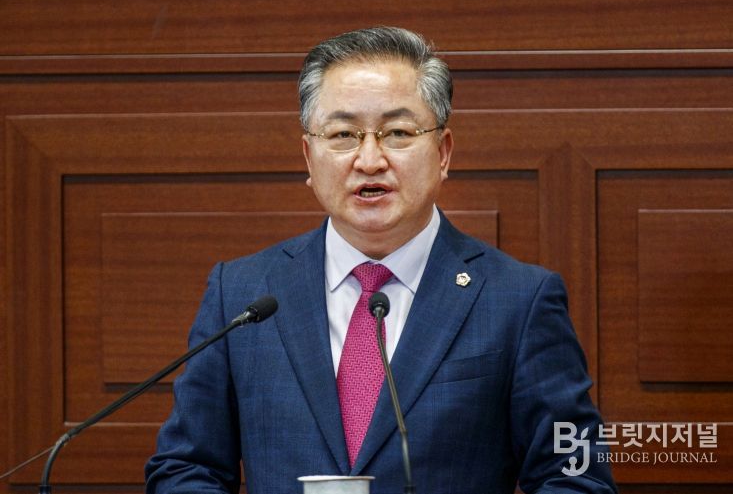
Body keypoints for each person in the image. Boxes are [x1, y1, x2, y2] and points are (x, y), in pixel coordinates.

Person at [145, 26, 617, 494]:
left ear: (443, 153)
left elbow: (576, 477)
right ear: (309, 157)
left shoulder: (519, 300)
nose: (369, 160)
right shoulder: (242, 294)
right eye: (343, 134)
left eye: (397, 133)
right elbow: (186, 469)